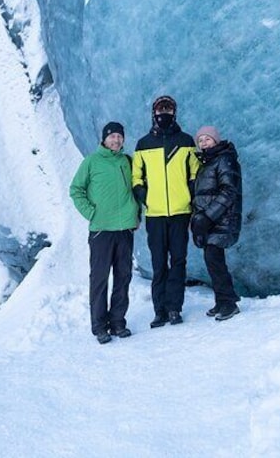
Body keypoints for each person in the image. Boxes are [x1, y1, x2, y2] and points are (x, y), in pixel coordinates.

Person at [132, 96, 200, 328]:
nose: (164, 112)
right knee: (159, 262)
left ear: (174, 112)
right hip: (156, 214)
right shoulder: (143, 144)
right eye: (161, 109)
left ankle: (174, 308)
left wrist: (190, 195)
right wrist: (146, 198)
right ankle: (159, 310)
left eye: (168, 108)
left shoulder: (186, 141)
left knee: (178, 261)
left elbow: (194, 173)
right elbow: (136, 177)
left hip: (181, 212)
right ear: (153, 113)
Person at [69, 122, 139, 345]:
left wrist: (135, 213)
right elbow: (75, 190)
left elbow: (137, 188)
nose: (116, 140)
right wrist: (91, 213)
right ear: (104, 139)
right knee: (99, 279)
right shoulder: (91, 161)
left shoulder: (127, 161)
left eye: (119, 137)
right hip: (101, 230)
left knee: (123, 276)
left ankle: (118, 322)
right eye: (112, 137)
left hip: (125, 229)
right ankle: (99, 326)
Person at [190, 125, 242, 321]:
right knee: (212, 261)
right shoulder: (207, 162)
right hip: (211, 221)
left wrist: (207, 217)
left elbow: (229, 191)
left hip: (221, 219)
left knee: (215, 260)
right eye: (200, 140)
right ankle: (222, 301)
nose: (203, 143)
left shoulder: (225, 160)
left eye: (207, 139)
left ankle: (229, 302)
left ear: (216, 140)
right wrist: (199, 219)